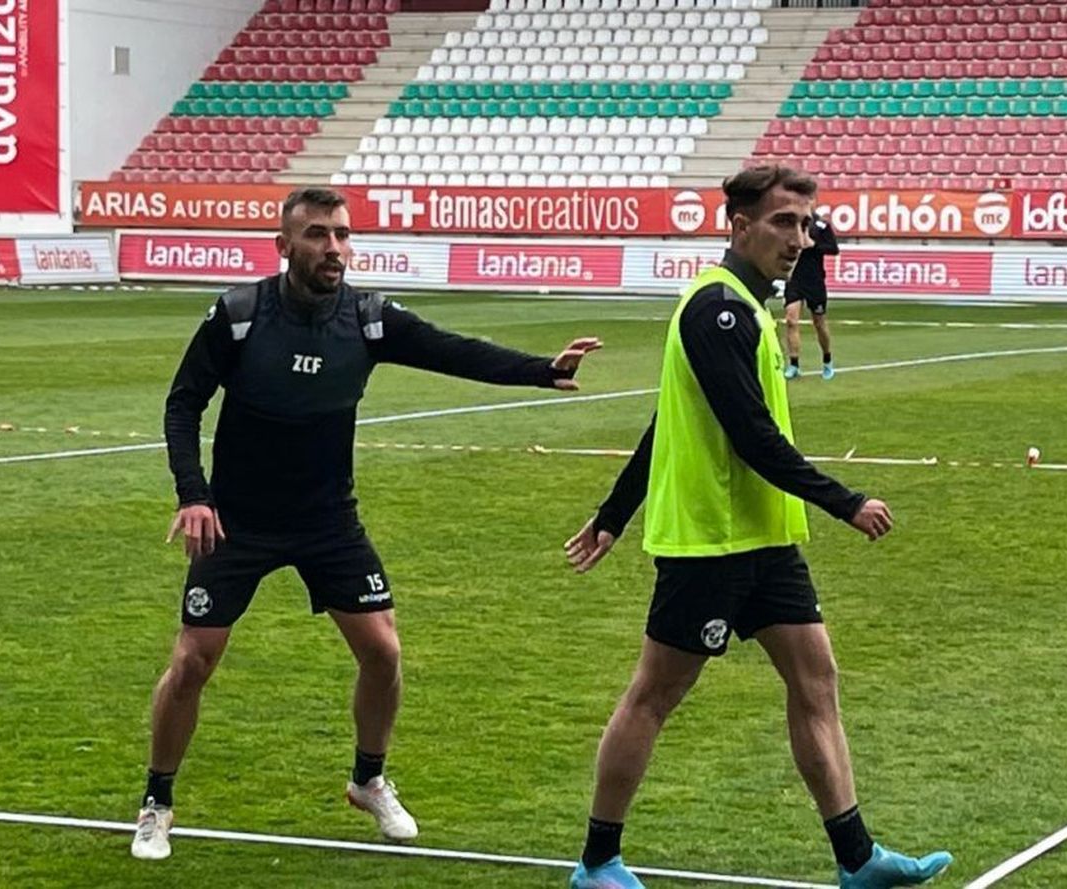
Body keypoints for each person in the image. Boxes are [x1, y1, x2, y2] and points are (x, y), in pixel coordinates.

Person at [132, 187, 602, 860]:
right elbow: (183, 405)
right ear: (284, 246)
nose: (334, 248)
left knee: (383, 652)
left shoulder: (369, 319)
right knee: (192, 661)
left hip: (327, 520)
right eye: (318, 234)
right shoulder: (238, 316)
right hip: (238, 522)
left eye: (342, 234)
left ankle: (368, 779)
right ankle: (157, 801)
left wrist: (541, 371)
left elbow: (453, 351)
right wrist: (194, 495)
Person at [562, 166, 950, 889]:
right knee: (654, 695)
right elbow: (750, 436)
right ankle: (597, 861)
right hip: (710, 544)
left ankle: (857, 857)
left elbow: (670, 421)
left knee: (816, 679)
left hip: (765, 540)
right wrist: (845, 500)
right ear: (739, 226)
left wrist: (613, 514)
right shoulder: (717, 310)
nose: (799, 239)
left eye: (806, 224)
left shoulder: (747, 307)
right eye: (783, 223)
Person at [783, 209, 838, 381]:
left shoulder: (821, 225)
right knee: (791, 320)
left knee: (819, 323)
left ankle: (827, 360)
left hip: (814, 280)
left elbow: (833, 249)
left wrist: (813, 245)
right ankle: (794, 364)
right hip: (795, 280)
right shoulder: (790, 223)